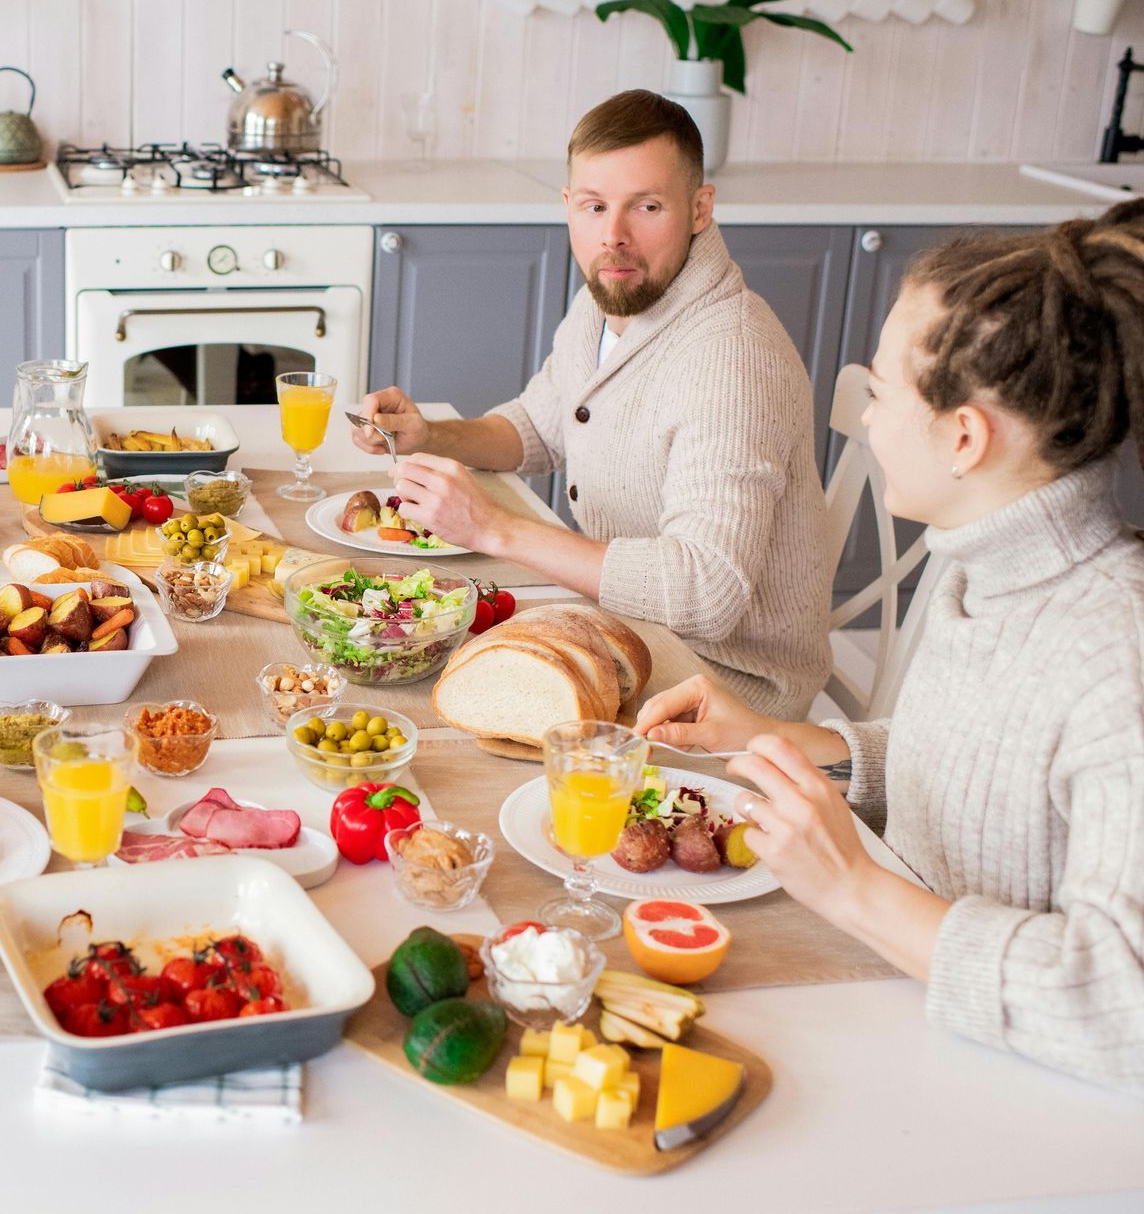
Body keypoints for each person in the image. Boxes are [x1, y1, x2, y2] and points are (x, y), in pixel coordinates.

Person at [635, 205, 1144, 1093]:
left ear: (963, 437)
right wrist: (791, 743)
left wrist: (853, 890)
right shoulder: (983, 564)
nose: (865, 422)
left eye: (879, 394)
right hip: (909, 1015)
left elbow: (1120, 1004)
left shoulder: (1119, 655)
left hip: (1033, 1106)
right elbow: (984, 769)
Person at [352, 90, 831, 720]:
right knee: (394, 653)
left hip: (723, 690)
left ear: (699, 209)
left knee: (422, 701)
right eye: (595, 206)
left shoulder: (732, 357)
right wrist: (430, 435)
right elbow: (538, 429)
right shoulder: (610, 297)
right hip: (629, 632)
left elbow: (705, 591)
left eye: (647, 207)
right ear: (568, 206)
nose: (614, 236)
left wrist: (494, 528)